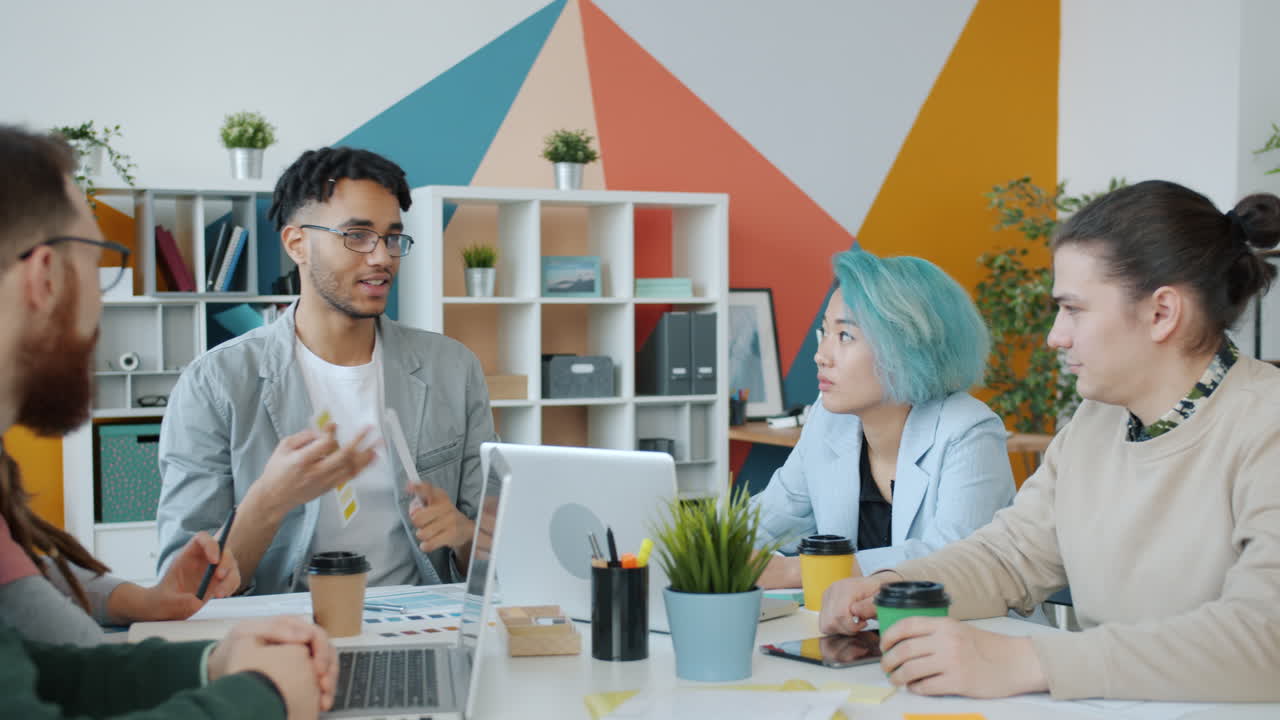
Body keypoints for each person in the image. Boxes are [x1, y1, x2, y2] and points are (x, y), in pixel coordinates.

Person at [819, 180, 1280, 703]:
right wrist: (893, 584)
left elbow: (1267, 636)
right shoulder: (1096, 422)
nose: (1055, 336)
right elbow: (1011, 556)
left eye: (1074, 309)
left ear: (1161, 313)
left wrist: (1030, 662)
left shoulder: (1266, 425)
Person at [0, 124, 335, 718]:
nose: (100, 303)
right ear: (45, 278)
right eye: (99, 264)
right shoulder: (217, 376)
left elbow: (42, 671)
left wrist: (209, 663)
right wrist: (262, 696)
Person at [157, 146, 498, 595]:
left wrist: (465, 535)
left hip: (421, 619)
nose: (381, 257)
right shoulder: (215, 383)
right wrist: (269, 501)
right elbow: (183, 589)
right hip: (280, 627)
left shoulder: (453, 368)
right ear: (296, 243)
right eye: (357, 235)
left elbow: (495, 555)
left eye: (392, 238)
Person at [753, 248, 1015, 588]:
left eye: (845, 336)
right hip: (861, 619)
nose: (820, 356)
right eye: (825, 332)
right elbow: (767, 521)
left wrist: (796, 572)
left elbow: (953, 560)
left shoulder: (968, 430)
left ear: (908, 349)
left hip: (966, 620)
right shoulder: (829, 421)